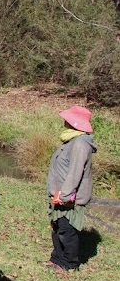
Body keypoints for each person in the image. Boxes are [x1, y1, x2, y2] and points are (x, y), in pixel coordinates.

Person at [45, 105, 96, 272]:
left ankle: (69, 263)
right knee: (58, 226)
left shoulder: (81, 144)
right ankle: (57, 258)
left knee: (67, 230)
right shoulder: (71, 140)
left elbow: (75, 173)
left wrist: (65, 195)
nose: (64, 121)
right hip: (60, 194)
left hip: (69, 197)